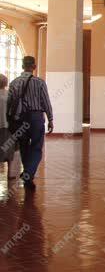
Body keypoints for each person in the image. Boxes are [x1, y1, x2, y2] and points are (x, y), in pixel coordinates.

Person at [6, 56, 54, 190]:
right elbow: (46, 102)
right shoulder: (39, 82)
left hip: (19, 118)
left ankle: (28, 172)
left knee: (23, 145)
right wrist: (50, 118)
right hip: (36, 117)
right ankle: (28, 173)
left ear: (22, 66)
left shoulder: (14, 83)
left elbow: (9, 103)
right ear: (34, 67)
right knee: (37, 146)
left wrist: (9, 120)